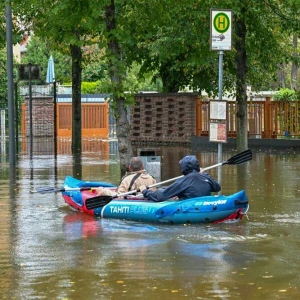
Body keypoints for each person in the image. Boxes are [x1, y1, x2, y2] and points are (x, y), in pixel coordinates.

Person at [139, 155, 221, 202]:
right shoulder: (205, 177)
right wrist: (204, 173)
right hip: (204, 207)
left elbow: (160, 197)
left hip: (191, 209)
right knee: (162, 189)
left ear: (184, 167)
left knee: (162, 191)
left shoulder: (183, 182)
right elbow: (217, 187)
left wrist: (145, 191)